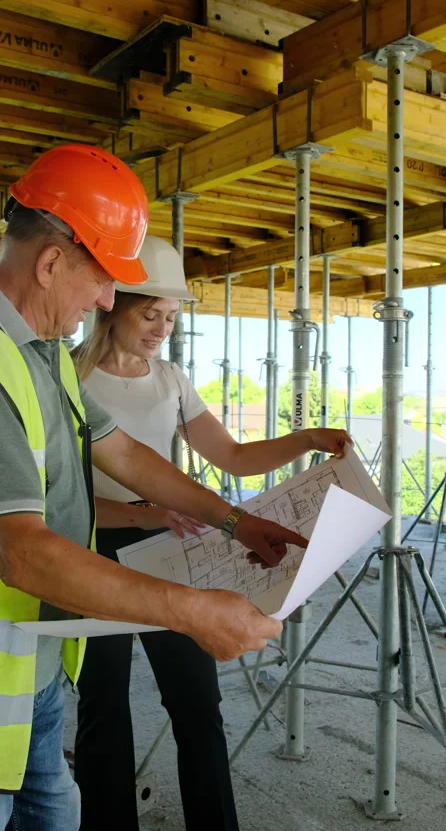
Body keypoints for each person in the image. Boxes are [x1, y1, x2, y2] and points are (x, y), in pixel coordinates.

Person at [0, 144, 310, 831]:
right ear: (51, 264)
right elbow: (21, 552)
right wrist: (191, 610)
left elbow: (125, 452)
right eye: (106, 281)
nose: (111, 299)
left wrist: (235, 521)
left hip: (36, 676)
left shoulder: (43, 353)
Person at [71, 234, 353, 831]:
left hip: (172, 545)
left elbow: (232, 456)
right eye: (150, 314)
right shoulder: (69, 378)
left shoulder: (170, 379)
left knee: (198, 702)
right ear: (110, 303)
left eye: (170, 317)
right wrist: (143, 513)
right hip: (95, 546)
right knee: (104, 707)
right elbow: (60, 495)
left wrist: (306, 438)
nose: (161, 328)